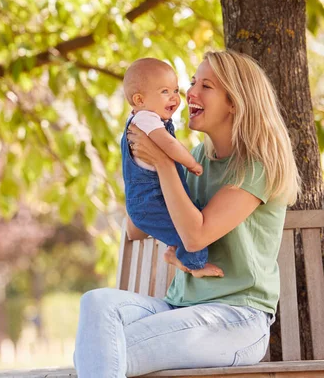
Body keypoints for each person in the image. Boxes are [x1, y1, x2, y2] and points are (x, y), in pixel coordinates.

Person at [74, 50, 301, 377]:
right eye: (193, 82)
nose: (189, 93)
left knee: (109, 348)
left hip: (235, 319)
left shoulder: (256, 167)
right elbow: (137, 227)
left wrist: (164, 161)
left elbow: (195, 237)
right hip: (178, 307)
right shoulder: (198, 157)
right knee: (95, 305)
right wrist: (140, 163)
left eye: (205, 86)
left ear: (234, 102)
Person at [121, 58, 223, 278]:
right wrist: (190, 163)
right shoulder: (148, 120)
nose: (177, 97)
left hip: (146, 201)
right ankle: (193, 264)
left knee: (185, 219)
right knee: (183, 232)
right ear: (139, 99)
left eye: (175, 90)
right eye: (165, 91)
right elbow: (169, 144)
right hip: (149, 201)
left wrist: (162, 161)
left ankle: (175, 253)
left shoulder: (143, 119)